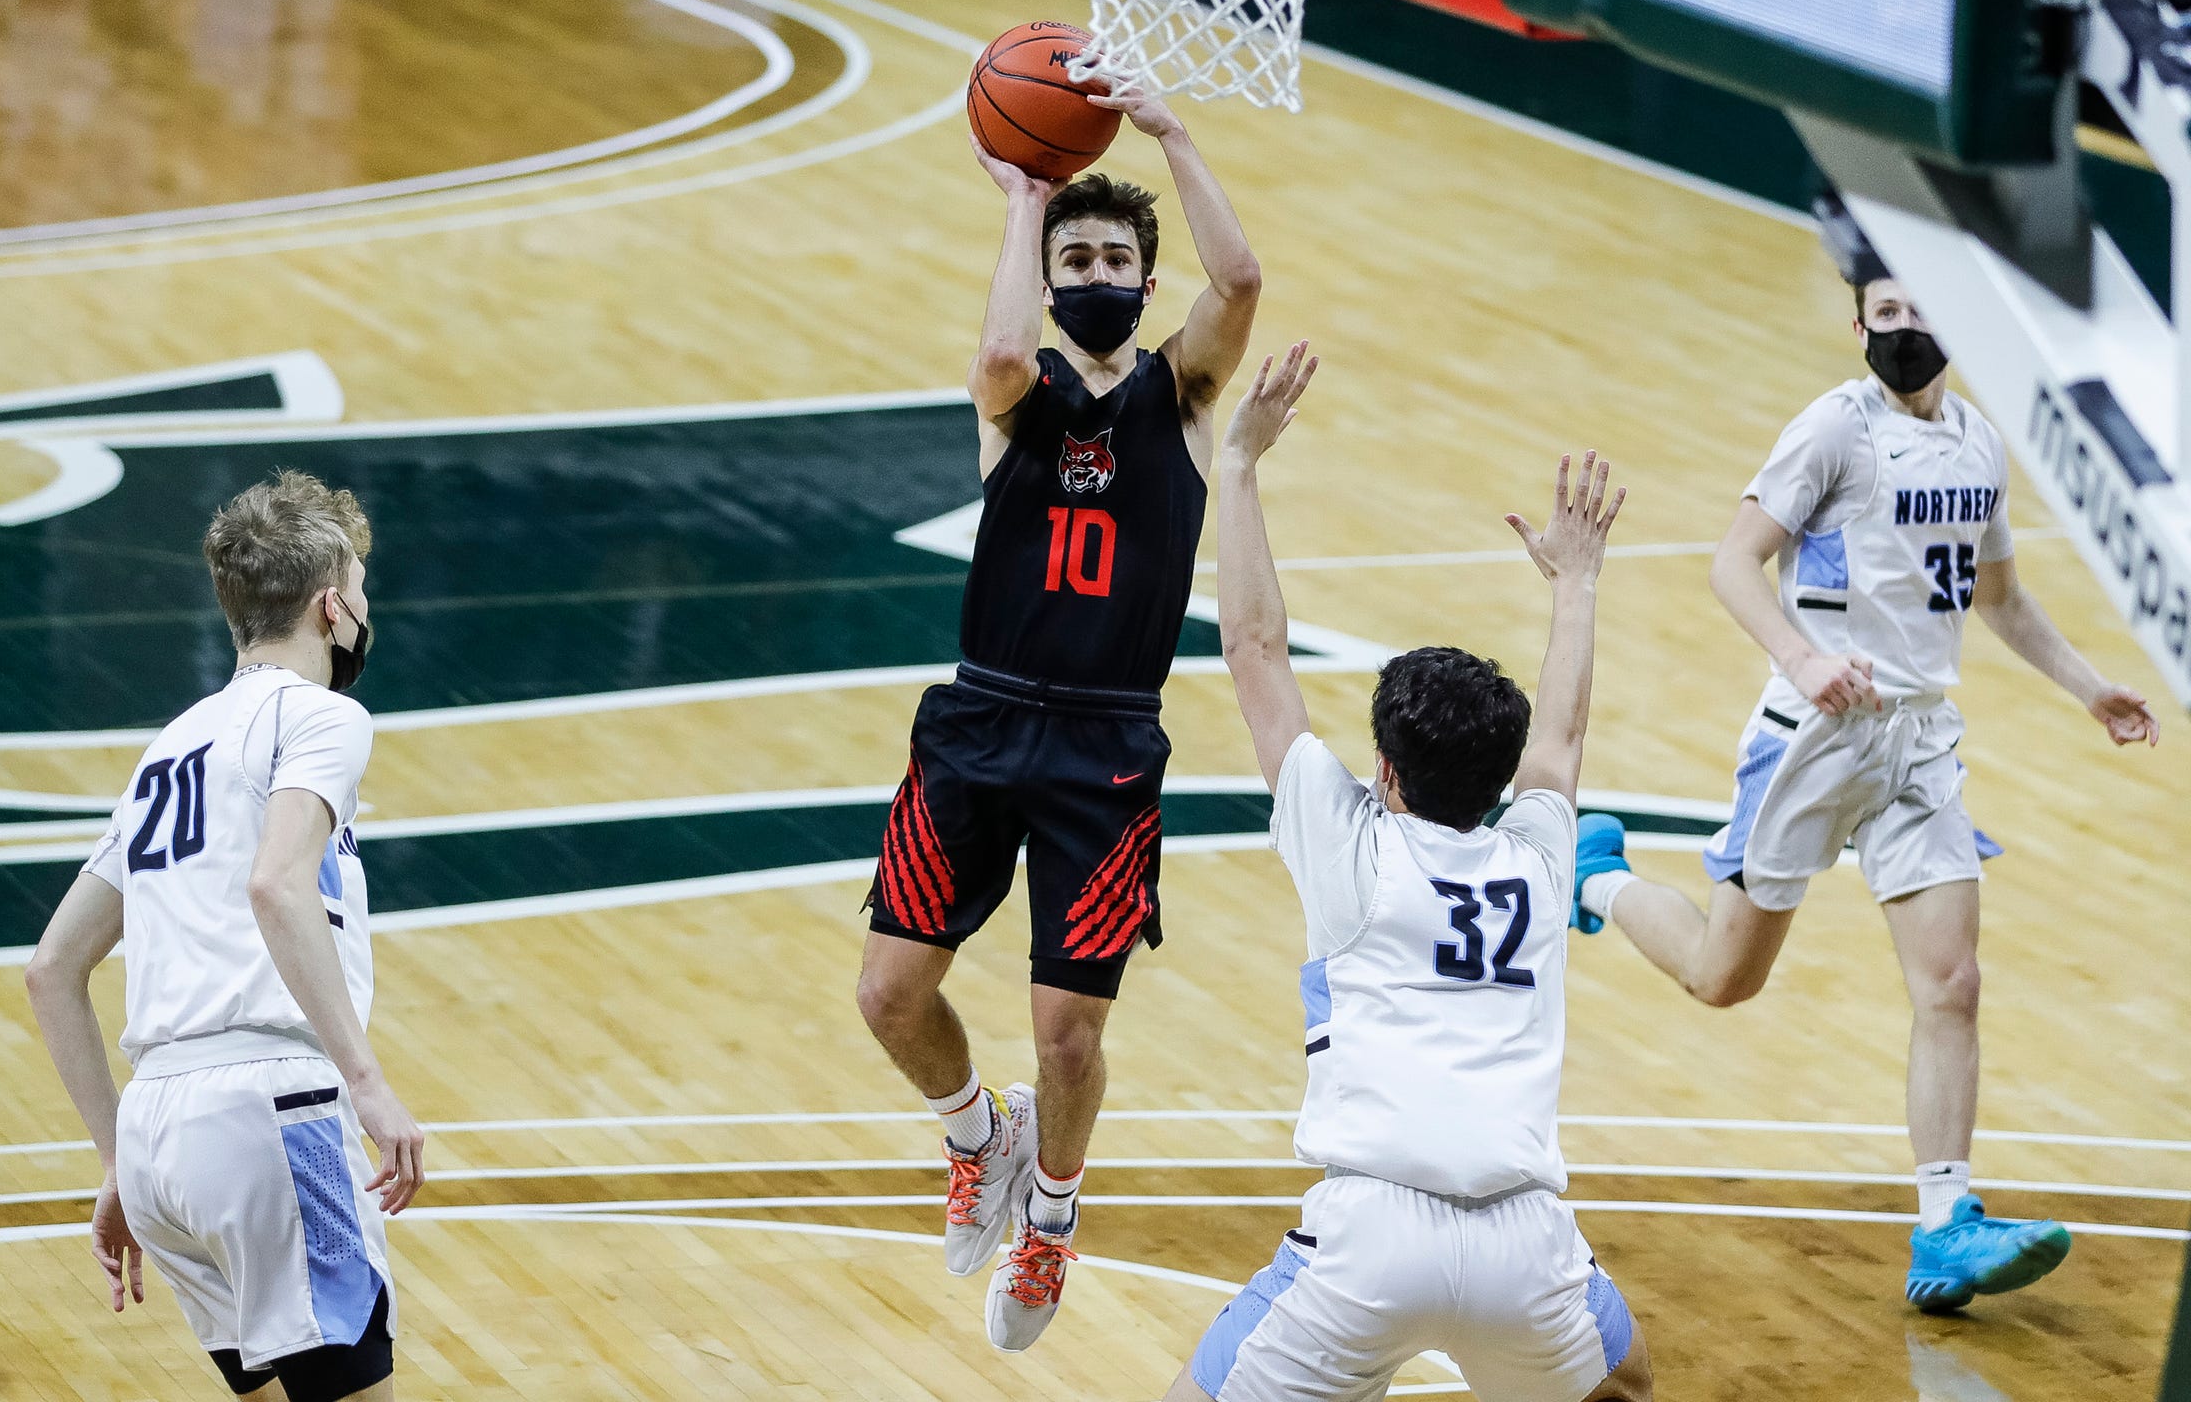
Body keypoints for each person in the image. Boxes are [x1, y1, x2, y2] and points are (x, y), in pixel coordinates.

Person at [1570, 268, 2160, 1311]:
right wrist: (1801, 659)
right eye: (1885, 313)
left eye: (1919, 309)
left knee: (1954, 985)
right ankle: (1602, 881)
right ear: (1859, 325)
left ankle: (1945, 1226)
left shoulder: (1979, 442)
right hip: (1815, 737)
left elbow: (2001, 597)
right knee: (1723, 978)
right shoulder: (1833, 430)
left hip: (1921, 741)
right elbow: (1734, 564)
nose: (1904, 328)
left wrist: (2087, 689)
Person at [855, 86, 1262, 1351]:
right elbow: (990, 358)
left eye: (1115, 260)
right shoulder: (1016, 399)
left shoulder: (1182, 400)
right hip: (979, 719)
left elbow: (1240, 282)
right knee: (887, 995)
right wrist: (1028, 201)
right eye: (1073, 260)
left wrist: (1174, 140)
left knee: (1070, 1038)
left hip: (1105, 742)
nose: (1096, 273)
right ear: (1045, 275)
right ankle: (978, 1134)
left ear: (1146, 283)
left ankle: (1052, 1222)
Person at [1173, 341, 1650, 1402]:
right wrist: (1577, 584)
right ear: (1498, 781)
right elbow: (1563, 740)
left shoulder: (1349, 847)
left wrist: (1239, 468)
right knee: (1625, 1382)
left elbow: (1254, 647)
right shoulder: (1538, 853)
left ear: (1382, 769)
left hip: (1372, 1237)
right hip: (1527, 1242)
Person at [26, 469, 425, 1402]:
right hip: (271, 1112)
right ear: (333, 606)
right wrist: (368, 1085)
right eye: (361, 592)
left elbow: (52, 968)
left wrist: (119, 1162)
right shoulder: (324, 717)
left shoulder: (171, 743)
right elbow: (277, 885)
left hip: (158, 1136)